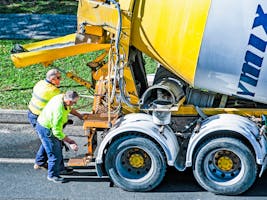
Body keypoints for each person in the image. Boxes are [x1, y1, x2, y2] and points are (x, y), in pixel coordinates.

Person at [35, 91, 82, 183]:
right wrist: (71, 141)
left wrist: (80, 116)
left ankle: (59, 169)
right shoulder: (59, 111)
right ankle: (52, 175)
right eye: (74, 102)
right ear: (68, 100)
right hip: (47, 130)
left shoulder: (61, 97)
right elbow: (57, 133)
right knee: (54, 153)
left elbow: (69, 109)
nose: (74, 104)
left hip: (45, 125)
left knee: (54, 147)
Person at [27, 69, 61, 170]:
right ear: (52, 79)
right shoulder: (53, 91)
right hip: (40, 118)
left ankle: (40, 161)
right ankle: (40, 162)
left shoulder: (40, 83)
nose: (61, 80)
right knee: (48, 140)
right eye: (59, 78)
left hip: (31, 114)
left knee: (46, 139)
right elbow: (62, 103)